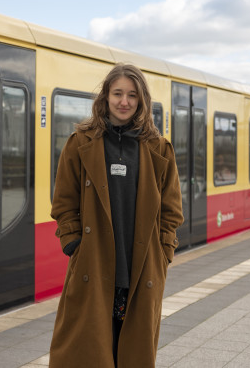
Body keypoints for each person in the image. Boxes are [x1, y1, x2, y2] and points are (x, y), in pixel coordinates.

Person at [49, 63, 184, 367]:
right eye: (118, 93)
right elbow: (64, 201)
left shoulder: (159, 149)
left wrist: (163, 253)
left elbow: (171, 210)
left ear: (141, 100)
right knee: (87, 350)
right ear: (105, 97)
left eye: (132, 95)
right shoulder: (80, 143)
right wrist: (74, 244)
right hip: (93, 265)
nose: (124, 102)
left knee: (132, 352)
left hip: (141, 269)